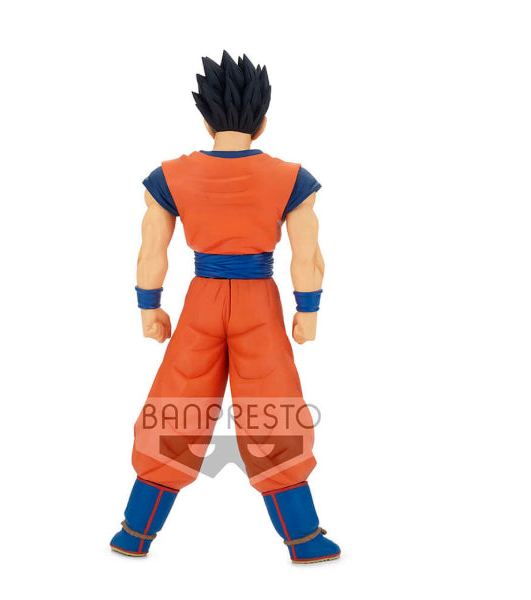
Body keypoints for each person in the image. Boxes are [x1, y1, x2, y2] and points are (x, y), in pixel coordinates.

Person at [110, 51, 340, 564]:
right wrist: (308, 311)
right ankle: (303, 537)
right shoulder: (291, 178)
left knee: (176, 401)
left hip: (201, 300)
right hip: (260, 302)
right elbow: (307, 255)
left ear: (206, 121)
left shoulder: (170, 176)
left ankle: (135, 532)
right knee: (274, 405)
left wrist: (150, 308)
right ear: (263, 122)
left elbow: (151, 250)